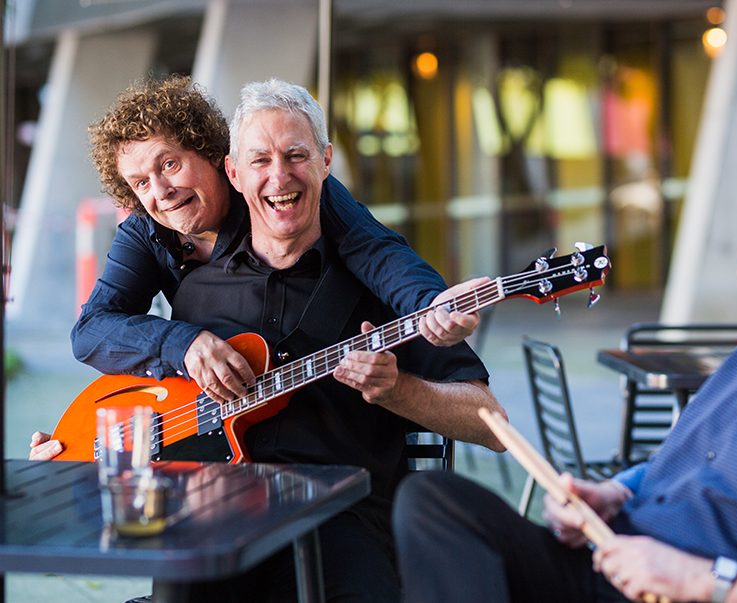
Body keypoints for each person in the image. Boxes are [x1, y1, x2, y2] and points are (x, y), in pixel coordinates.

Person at [393, 158, 737, 603]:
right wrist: (614, 492)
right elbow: (685, 461)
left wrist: (702, 580)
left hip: (683, 592)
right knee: (433, 502)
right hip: (615, 559)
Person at [156, 78, 505, 602]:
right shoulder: (197, 297)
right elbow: (156, 412)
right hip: (217, 515)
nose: (280, 175)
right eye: (260, 161)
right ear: (233, 173)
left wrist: (398, 390)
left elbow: (493, 425)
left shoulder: (385, 290)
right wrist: (71, 446)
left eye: (296, 154)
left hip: (341, 517)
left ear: (325, 161)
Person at [30, 76, 480, 460]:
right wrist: (181, 343)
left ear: (216, 158)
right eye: (141, 182)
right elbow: (91, 330)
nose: (161, 191)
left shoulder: (280, 198)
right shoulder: (146, 230)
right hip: (211, 430)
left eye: (170, 164)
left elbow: (377, 251)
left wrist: (430, 307)